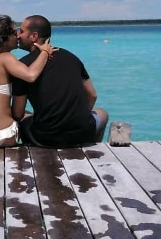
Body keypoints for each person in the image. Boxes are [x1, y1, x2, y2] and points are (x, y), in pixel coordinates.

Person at [11, 15, 108, 147]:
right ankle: (90, 146)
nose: (17, 35)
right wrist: (74, 119)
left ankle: (30, 152)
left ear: (34, 36)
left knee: (20, 116)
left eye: (21, 31)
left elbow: (17, 113)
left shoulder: (22, 66)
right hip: (81, 133)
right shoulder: (71, 58)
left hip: (45, 139)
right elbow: (92, 95)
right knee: (103, 113)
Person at [0, 15, 57, 147]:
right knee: (25, 116)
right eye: (14, 33)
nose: (18, 36)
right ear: (4, 38)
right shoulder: (6, 58)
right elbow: (31, 75)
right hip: (3, 135)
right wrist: (45, 52)